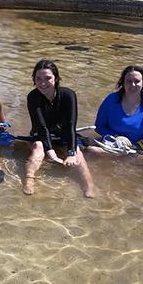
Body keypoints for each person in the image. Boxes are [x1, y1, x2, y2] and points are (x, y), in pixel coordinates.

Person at [24, 60, 96, 197]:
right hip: (40, 134)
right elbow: (41, 126)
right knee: (38, 147)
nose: (42, 83)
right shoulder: (33, 96)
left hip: (63, 134)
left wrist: (71, 153)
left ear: (56, 78)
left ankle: (89, 185)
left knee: (77, 152)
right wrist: (50, 152)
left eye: (47, 78)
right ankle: (29, 179)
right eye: (38, 79)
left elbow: (71, 125)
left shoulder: (68, 95)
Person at [91, 65, 143, 161]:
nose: (133, 85)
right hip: (111, 146)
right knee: (91, 150)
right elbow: (99, 126)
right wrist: (116, 137)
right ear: (123, 82)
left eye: (137, 81)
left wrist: (136, 146)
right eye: (129, 81)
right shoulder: (111, 100)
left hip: (135, 150)